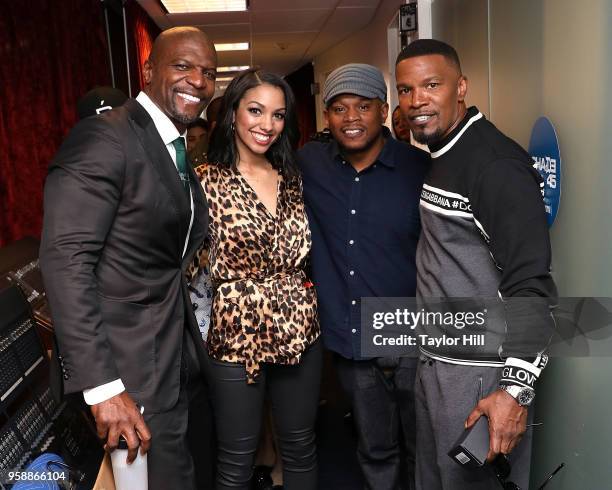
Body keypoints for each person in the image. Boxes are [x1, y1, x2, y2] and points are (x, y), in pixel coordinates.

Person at [39, 26, 217, 490]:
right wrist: (104, 389)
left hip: (170, 359)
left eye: (208, 72)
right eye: (183, 66)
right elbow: (65, 259)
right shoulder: (106, 136)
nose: (198, 81)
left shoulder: (170, 145)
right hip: (127, 374)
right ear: (149, 70)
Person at [395, 39, 557, 489]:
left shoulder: (495, 164)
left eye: (431, 85)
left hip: (479, 379)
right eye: (405, 90)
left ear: (461, 86)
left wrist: (513, 393)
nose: (416, 101)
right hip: (436, 365)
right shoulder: (445, 154)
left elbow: (533, 287)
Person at [298, 63, 429, 490]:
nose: (351, 118)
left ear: (385, 109)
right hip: (352, 335)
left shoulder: (420, 171)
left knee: (425, 449)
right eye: (339, 107)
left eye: (363, 106)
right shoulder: (310, 164)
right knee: (374, 449)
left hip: (413, 336)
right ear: (326, 116)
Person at [200, 68, 321, 490]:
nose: (266, 125)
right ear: (233, 113)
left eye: (278, 115)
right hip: (236, 330)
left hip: (299, 326)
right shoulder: (204, 182)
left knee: (301, 446)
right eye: (255, 110)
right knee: (235, 458)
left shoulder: (293, 180)